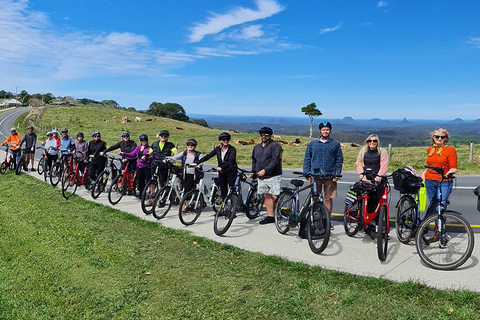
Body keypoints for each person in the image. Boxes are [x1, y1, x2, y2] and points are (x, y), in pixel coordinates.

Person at [303, 121, 343, 229]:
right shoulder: (312, 144)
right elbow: (307, 158)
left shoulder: (335, 144)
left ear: (330, 131)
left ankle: (327, 220)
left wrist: (337, 174)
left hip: (330, 176)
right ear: (320, 131)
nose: (325, 131)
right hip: (315, 176)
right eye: (323, 129)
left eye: (327, 129)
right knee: (315, 198)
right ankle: (316, 219)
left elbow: (339, 160)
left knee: (328, 199)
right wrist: (307, 172)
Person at [355, 134, 388, 237]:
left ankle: (378, 225)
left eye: (374, 141)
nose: (372, 143)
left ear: (377, 142)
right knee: (367, 203)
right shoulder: (363, 152)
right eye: (370, 141)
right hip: (366, 180)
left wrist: (378, 177)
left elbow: (383, 166)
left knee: (378, 203)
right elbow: (359, 165)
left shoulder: (382, 152)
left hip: (378, 181)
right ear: (367, 142)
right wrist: (363, 178)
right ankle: (368, 224)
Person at [251, 127, 282, 225]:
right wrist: (253, 171)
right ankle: (270, 216)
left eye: (266, 135)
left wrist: (265, 170)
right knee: (266, 195)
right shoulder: (256, 147)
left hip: (273, 175)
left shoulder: (275, 146)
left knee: (274, 196)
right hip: (261, 176)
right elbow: (254, 161)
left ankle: (277, 209)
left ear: (271, 136)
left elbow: (275, 161)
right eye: (262, 135)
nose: (263, 137)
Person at [421, 127, 457, 208]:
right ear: (433, 138)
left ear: (446, 139)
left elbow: (453, 167)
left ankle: (440, 220)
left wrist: (449, 173)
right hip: (429, 180)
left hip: (443, 181)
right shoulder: (430, 150)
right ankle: (435, 220)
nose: (439, 139)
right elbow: (431, 165)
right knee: (433, 204)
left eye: (442, 137)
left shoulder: (450, 150)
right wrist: (424, 172)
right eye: (437, 136)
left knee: (441, 205)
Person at [195, 132, 237, 199]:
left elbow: (231, 161)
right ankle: (224, 206)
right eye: (224, 139)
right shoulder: (218, 149)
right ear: (220, 141)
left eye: (227, 139)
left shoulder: (232, 149)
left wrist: (221, 167)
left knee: (232, 189)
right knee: (223, 190)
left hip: (231, 171)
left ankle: (233, 204)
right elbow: (209, 156)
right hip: (222, 172)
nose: (226, 141)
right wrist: (197, 162)